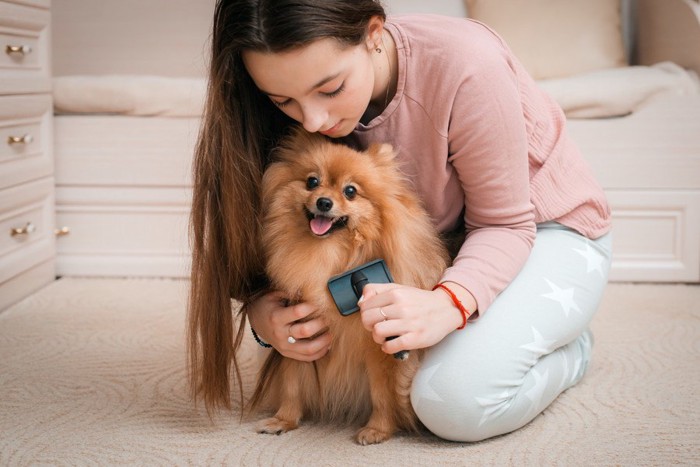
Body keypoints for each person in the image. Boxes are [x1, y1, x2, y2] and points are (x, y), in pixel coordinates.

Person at [187, 0, 612, 442]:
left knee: (454, 405)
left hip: (543, 231)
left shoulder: (467, 65)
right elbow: (266, 233)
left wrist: (450, 302)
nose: (313, 119)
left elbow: (505, 225)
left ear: (373, 34)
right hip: (441, 245)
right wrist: (261, 310)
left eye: (330, 89)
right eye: (283, 101)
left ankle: (571, 350)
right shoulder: (269, 101)